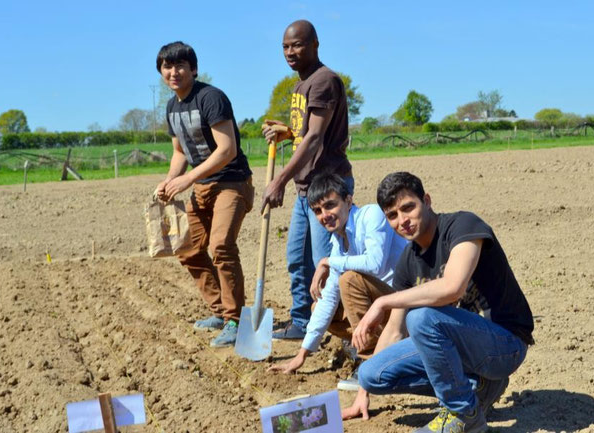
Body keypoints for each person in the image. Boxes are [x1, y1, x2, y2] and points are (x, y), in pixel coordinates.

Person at [345, 172, 534, 433]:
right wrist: (362, 394)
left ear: (427, 201)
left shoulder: (463, 226)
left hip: (504, 345)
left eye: (408, 208)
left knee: (421, 318)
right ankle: (476, 387)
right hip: (461, 348)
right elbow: (395, 331)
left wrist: (382, 303)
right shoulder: (408, 263)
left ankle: (464, 414)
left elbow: (452, 288)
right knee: (371, 374)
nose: (403, 221)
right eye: (392, 215)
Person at [154, 41, 254, 348]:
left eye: (180, 66)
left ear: (193, 69)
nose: (174, 72)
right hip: (200, 185)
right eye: (167, 67)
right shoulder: (172, 107)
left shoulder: (211, 98)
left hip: (231, 182)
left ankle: (236, 320)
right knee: (188, 248)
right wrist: (170, 180)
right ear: (161, 72)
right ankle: (221, 311)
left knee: (221, 245)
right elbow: (179, 151)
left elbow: (227, 150)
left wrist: (187, 179)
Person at [267, 173, 407, 388]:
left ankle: (370, 367)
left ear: (348, 201)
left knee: (349, 280)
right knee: (319, 306)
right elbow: (329, 298)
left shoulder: (371, 215)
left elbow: (375, 263)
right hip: (382, 310)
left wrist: (328, 262)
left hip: (405, 310)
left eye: (330, 205)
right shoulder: (337, 242)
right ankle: (386, 349)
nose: (325, 215)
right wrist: (302, 355)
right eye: (317, 211)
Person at [262, 20, 353, 339]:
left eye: (297, 45)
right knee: (297, 262)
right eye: (285, 46)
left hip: (327, 188)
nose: (290, 52)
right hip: (306, 189)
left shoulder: (324, 80)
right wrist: (288, 133)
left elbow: (315, 138)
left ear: (315, 44)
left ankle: (347, 332)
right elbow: (307, 135)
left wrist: (279, 180)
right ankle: (302, 322)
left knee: (325, 264)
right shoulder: (301, 85)